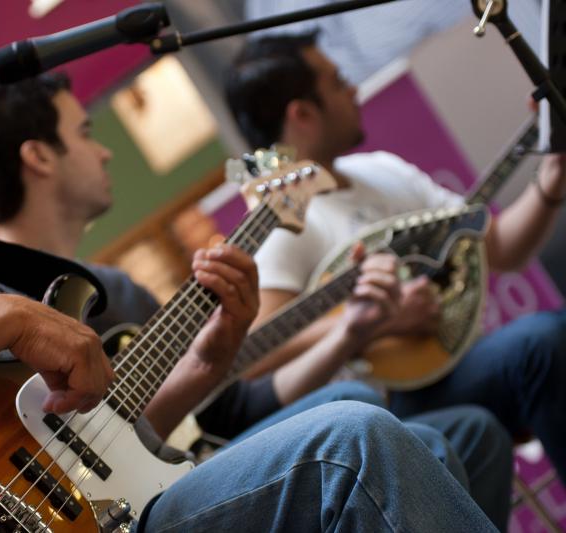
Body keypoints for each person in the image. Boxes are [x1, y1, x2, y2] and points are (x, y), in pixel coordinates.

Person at [0, 1, 497, 531]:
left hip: (117, 504)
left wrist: (206, 360)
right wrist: (6, 315)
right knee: (352, 445)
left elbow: (87, 453)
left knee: (429, 439)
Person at [0, 74, 513, 528]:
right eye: (86, 132)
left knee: (457, 431)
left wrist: (339, 332)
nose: (105, 152)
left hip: (173, 462)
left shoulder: (114, 290)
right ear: (40, 157)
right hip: (103, 504)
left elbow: (229, 411)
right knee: (373, 423)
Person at [225, 32, 566, 486]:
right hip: (379, 411)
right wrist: (375, 320)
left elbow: (501, 249)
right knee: (541, 344)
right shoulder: (284, 221)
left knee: (548, 338)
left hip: (449, 368)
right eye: (337, 82)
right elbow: (254, 351)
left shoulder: (382, 170)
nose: (354, 90)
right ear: (302, 113)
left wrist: (551, 179)